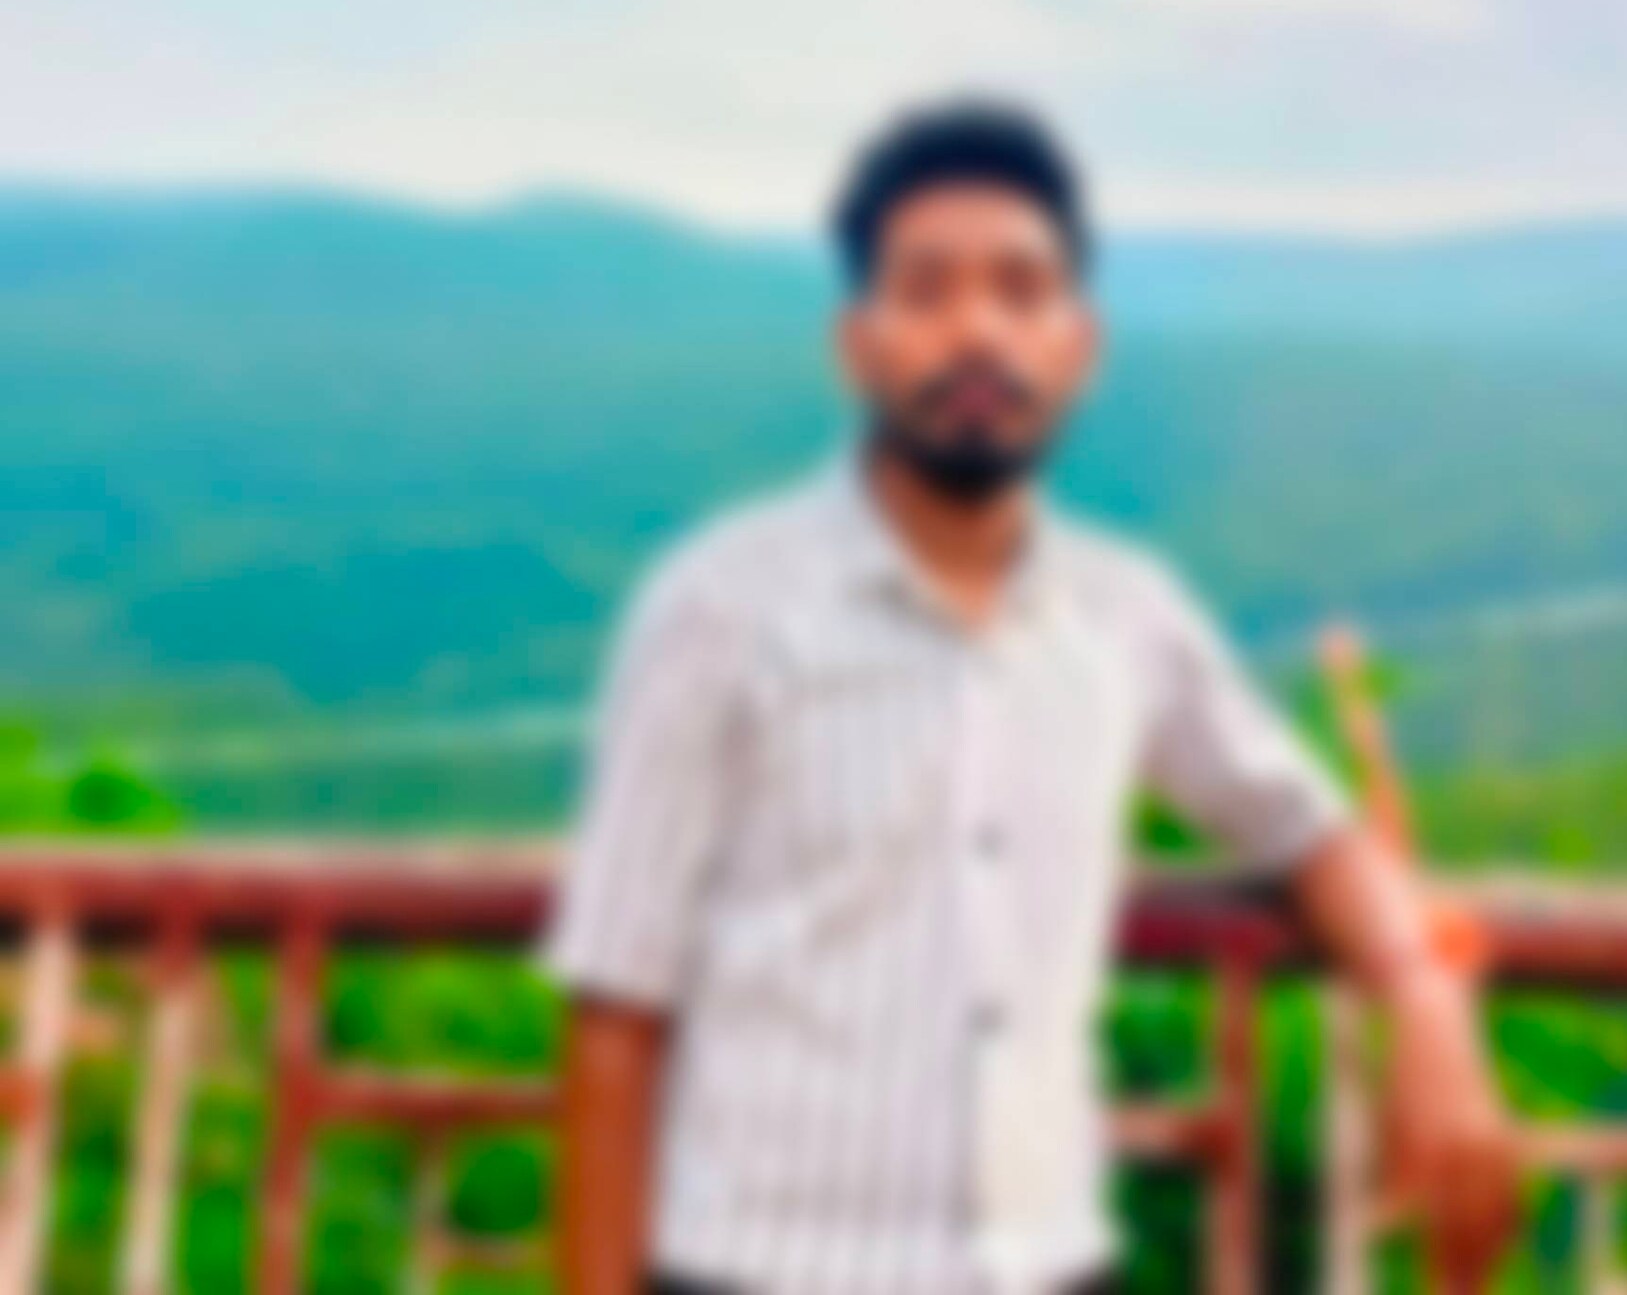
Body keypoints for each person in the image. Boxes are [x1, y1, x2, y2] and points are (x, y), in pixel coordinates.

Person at [542, 99, 1519, 1295]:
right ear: (857, 345)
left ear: (1079, 346)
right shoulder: (719, 609)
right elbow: (616, 1010)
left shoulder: (1124, 616)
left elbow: (1306, 827)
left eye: (1020, 290)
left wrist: (1423, 996)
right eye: (927, 291)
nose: (977, 331)